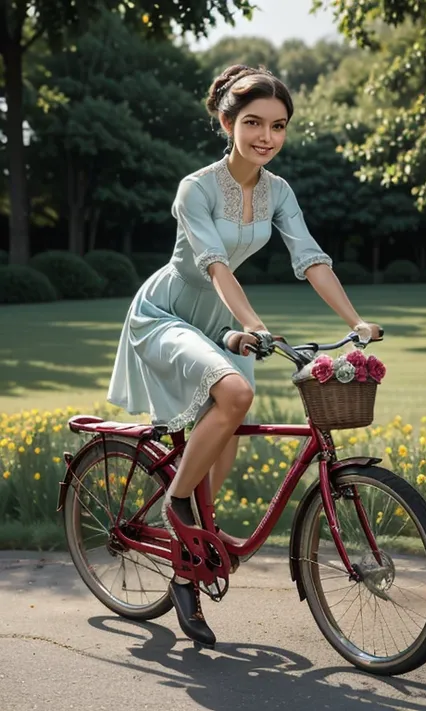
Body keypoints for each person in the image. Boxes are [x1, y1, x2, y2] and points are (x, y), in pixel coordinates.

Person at [108, 64, 381, 649]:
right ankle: (173, 505)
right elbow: (213, 265)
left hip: (229, 326)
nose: (266, 136)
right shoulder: (196, 188)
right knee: (236, 394)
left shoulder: (279, 190)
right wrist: (252, 323)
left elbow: (309, 257)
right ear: (226, 121)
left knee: (222, 447)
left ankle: (188, 559)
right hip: (170, 315)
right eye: (253, 122)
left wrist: (353, 320)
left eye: (278, 126)